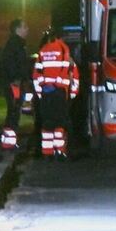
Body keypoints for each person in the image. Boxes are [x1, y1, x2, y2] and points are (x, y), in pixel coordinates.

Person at [31, 27, 79, 160]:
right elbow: (69, 71)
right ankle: (59, 151)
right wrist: (71, 92)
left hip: (45, 92)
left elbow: (36, 73)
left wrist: (40, 92)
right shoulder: (64, 49)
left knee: (47, 122)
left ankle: (47, 152)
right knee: (60, 122)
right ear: (62, 37)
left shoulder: (43, 50)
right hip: (59, 92)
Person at [0, 18, 29, 152]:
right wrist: (16, 78)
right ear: (17, 29)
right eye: (25, 27)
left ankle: (9, 142)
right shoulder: (15, 45)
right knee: (13, 111)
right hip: (14, 84)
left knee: (14, 111)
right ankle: (9, 143)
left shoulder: (16, 44)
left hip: (15, 82)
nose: (27, 29)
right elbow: (12, 63)